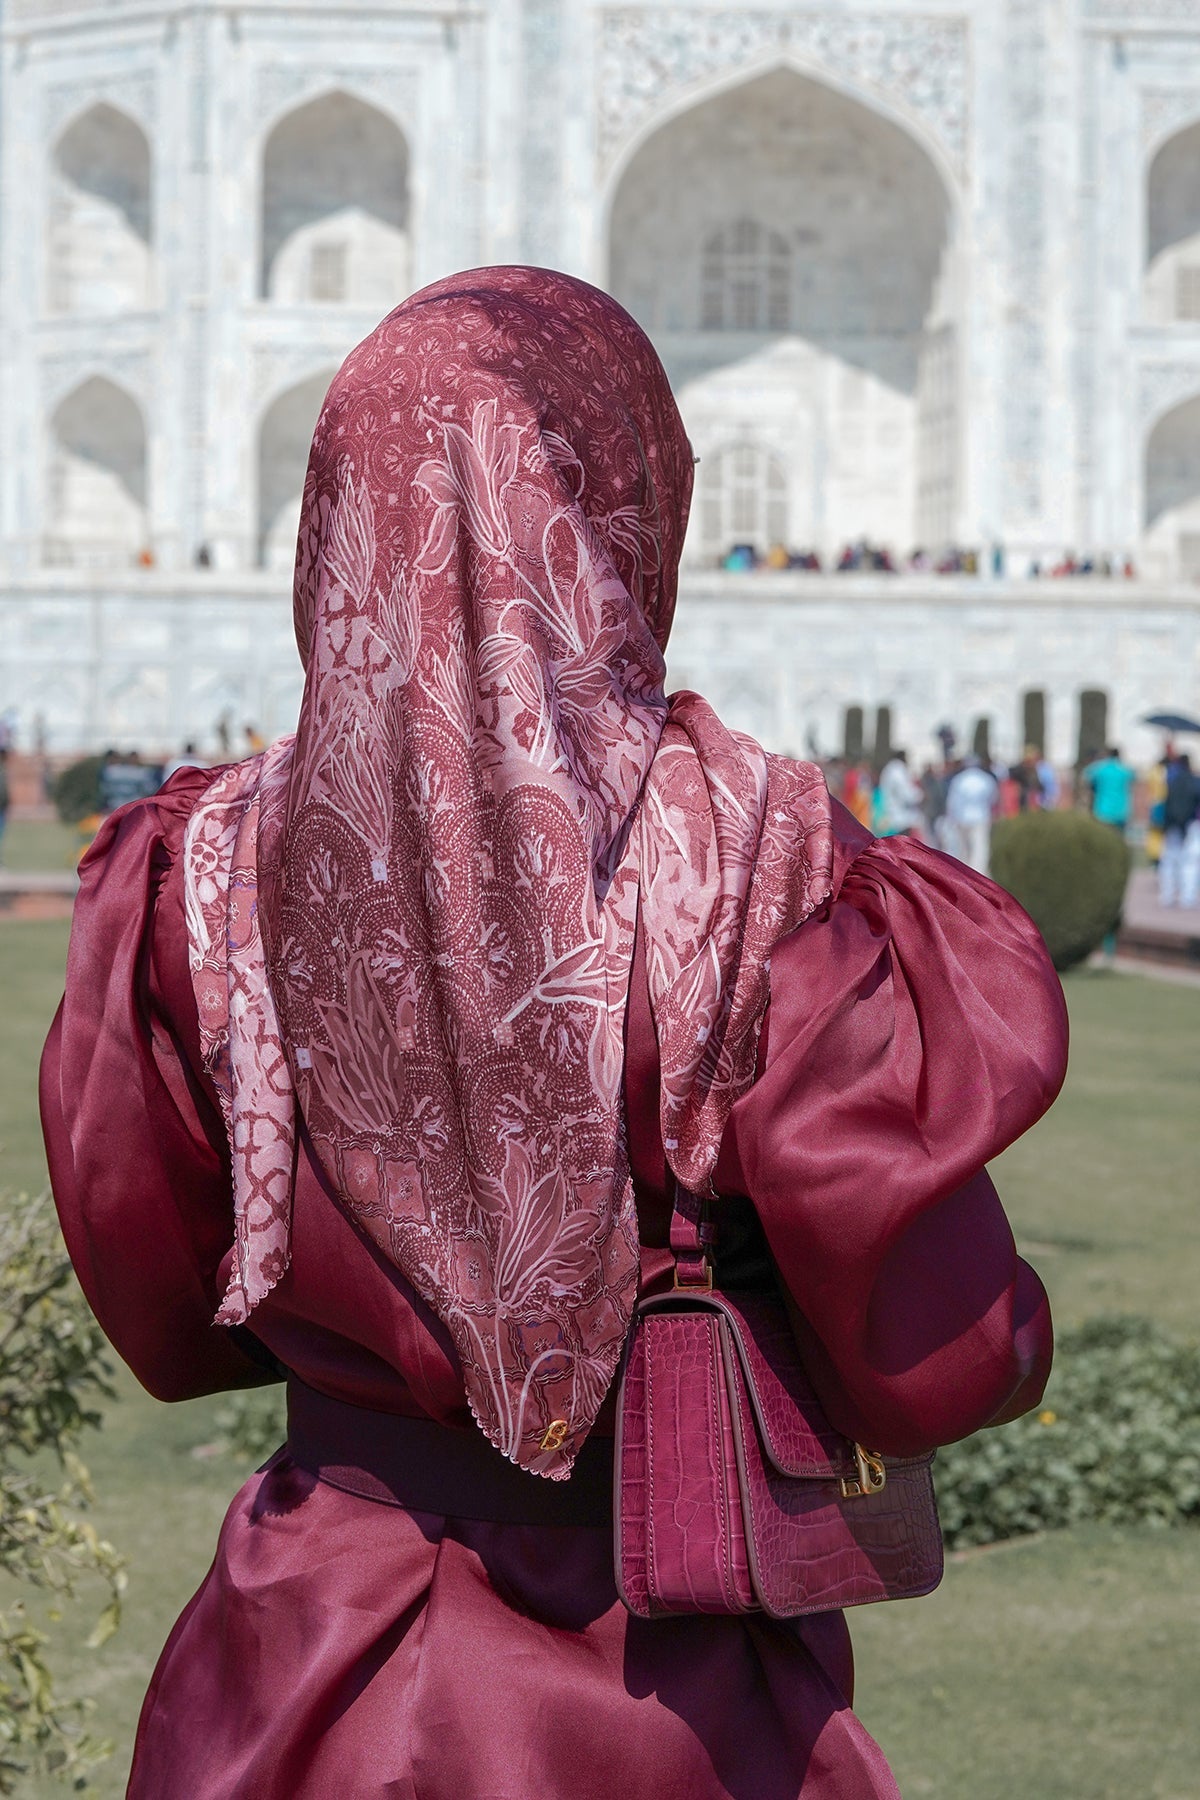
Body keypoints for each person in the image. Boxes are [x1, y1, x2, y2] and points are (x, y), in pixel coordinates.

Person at [41, 269, 1067, 1800]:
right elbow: (928, 1349)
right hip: (659, 1675)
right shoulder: (769, 859)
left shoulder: (199, 877)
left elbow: (165, 1306)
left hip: (302, 1658)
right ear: (626, 500)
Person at [944, 755, 999, 875]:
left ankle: (964, 872)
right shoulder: (986, 779)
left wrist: (951, 818)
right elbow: (993, 799)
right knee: (980, 848)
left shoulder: (959, 779)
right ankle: (979, 874)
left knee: (963, 847)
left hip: (962, 817)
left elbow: (952, 801)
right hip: (981, 816)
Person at [1158, 752, 1200, 909]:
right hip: (1190, 826)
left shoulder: (1172, 781)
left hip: (1173, 826)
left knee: (1169, 861)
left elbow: (1167, 804)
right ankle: (1187, 898)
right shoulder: (1195, 782)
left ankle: (1167, 896)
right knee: (1189, 862)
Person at [1082, 744, 1137, 834]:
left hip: (1103, 811)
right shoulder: (1124, 770)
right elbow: (1134, 776)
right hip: (1121, 812)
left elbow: (1086, 774)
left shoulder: (1100, 769)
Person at [876, 748, 924, 837]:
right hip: (900, 818)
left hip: (890, 814)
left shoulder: (888, 769)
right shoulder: (898, 770)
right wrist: (920, 796)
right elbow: (907, 794)